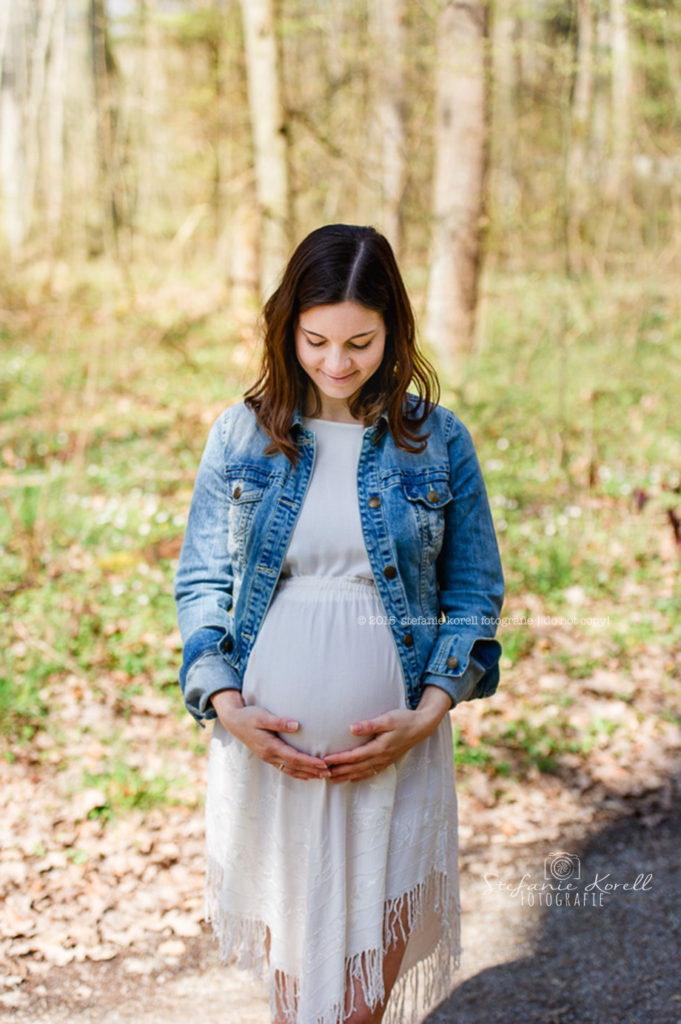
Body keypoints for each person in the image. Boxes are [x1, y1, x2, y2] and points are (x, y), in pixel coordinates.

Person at [173, 224, 504, 1024]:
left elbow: (473, 591)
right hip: (271, 751)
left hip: (392, 749)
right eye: (315, 340)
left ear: (392, 333)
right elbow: (203, 581)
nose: (335, 362)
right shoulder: (242, 434)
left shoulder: (435, 441)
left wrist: (427, 713)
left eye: (359, 342)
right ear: (287, 329)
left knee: (358, 1006)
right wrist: (229, 710)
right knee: (298, 1000)